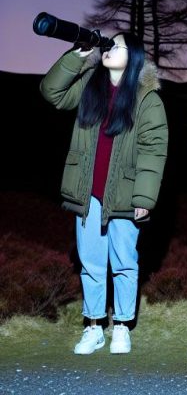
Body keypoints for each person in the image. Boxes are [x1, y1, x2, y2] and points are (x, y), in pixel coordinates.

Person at [40, 33, 168, 355]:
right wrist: (77, 56)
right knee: (91, 263)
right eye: (108, 43)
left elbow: (154, 151)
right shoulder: (89, 87)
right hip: (88, 195)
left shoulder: (147, 99)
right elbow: (51, 92)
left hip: (124, 196)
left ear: (134, 56)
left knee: (124, 262)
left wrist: (144, 198)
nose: (109, 48)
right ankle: (94, 327)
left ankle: (122, 326)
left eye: (118, 45)